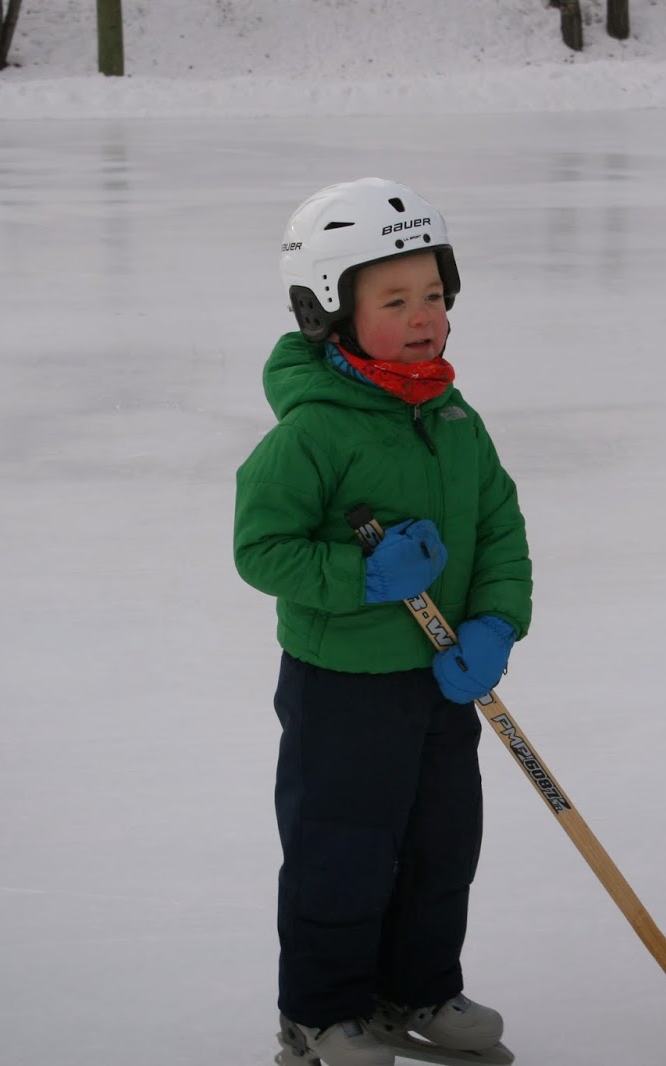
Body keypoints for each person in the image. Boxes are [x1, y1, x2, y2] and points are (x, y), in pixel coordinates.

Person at [234, 178, 532, 1066]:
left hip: (442, 682)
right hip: (343, 690)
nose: (422, 316)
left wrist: (496, 625)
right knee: (344, 856)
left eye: (433, 295)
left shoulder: (451, 415)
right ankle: (320, 1014)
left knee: (442, 848)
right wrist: (363, 575)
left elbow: (499, 527)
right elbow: (263, 550)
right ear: (329, 311)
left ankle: (420, 990)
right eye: (394, 299)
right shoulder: (313, 433)